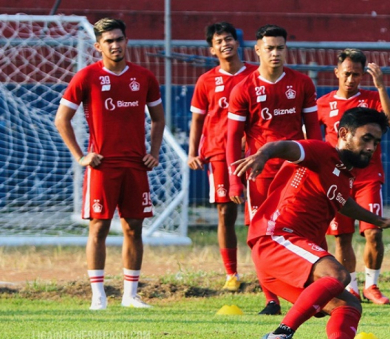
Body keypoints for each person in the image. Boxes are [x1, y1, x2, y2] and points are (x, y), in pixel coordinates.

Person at [233, 107, 390, 339]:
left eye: (376, 142)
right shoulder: (320, 152)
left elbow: (345, 204)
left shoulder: (343, 177)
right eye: (366, 138)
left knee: (348, 303)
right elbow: (285, 146)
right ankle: (280, 334)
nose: (372, 147)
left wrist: (381, 221)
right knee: (338, 275)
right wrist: (263, 153)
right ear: (343, 133)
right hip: (276, 237)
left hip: (289, 254)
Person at [54, 18, 165, 309]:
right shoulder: (87, 76)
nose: (115, 45)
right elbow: (61, 119)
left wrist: (153, 150)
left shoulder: (144, 77)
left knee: (134, 228)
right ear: (98, 46)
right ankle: (98, 297)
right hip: (102, 166)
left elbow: (158, 118)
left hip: (135, 166)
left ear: (126, 41)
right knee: (99, 228)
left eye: (119, 39)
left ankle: (131, 295)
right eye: (109, 41)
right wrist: (81, 155)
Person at [227, 24, 322, 315]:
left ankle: (313, 293)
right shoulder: (244, 88)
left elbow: (313, 131)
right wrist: (234, 181)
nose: (275, 53)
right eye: (269, 47)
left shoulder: (302, 83)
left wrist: (318, 164)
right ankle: (271, 299)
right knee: (261, 236)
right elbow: (232, 137)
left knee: (305, 228)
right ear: (257, 50)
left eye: (280, 47)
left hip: (295, 172)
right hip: (260, 175)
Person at [317, 49, 390, 304]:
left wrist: (381, 87)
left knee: (374, 231)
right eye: (347, 74)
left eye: (356, 75)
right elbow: (313, 137)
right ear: (336, 73)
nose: (351, 79)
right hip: (338, 179)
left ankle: (372, 285)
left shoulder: (372, 99)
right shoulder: (323, 104)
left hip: (368, 177)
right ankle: (351, 287)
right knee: (342, 237)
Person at [188, 22, 257, 292]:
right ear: (212, 49)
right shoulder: (206, 80)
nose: (225, 44)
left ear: (237, 43)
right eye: (219, 41)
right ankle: (232, 274)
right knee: (226, 211)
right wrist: (192, 152)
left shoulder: (254, 75)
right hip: (218, 153)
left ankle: (269, 271)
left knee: (262, 211)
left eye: (229, 38)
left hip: (254, 151)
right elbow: (197, 119)